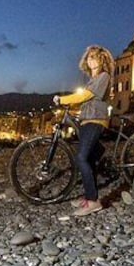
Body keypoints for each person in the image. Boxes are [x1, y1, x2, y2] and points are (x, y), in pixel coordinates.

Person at [53, 45, 114, 217]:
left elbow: (84, 96)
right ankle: (89, 195)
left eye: (95, 57)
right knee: (90, 158)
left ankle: (93, 201)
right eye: (89, 57)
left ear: (101, 60)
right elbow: (86, 100)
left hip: (96, 120)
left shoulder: (103, 77)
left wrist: (63, 99)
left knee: (81, 157)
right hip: (87, 119)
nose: (91, 60)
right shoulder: (93, 80)